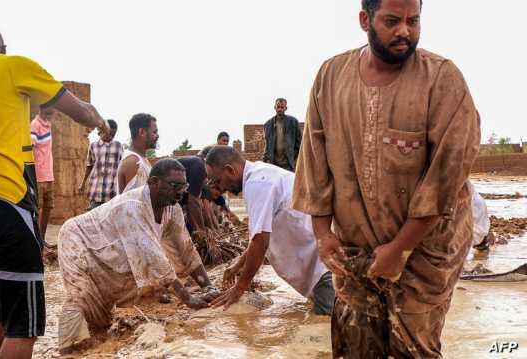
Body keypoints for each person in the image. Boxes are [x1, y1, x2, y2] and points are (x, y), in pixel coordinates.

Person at [292, 0, 480, 357]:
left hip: (426, 250)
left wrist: (400, 248)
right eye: (392, 21)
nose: (404, 32)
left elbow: (446, 176)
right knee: (355, 344)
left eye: (413, 21)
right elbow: (314, 162)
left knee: (412, 346)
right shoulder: (331, 77)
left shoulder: (442, 79)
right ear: (365, 19)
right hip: (354, 247)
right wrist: (322, 235)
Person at [0, 25, 108, 359]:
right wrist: (99, 120)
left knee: (3, 309)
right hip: (2, 204)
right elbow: (80, 112)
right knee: (23, 325)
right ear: (3, 48)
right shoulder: (13, 67)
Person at [57, 159, 218, 353]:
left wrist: (208, 286)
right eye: (174, 185)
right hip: (78, 238)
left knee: (103, 309)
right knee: (80, 295)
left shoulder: (172, 209)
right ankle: (67, 350)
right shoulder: (133, 206)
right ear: (153, 182)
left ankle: (95, 347)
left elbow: (186, 249)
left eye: (183, 186)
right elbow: (154, 258)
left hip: (108, 251)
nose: (180, 191)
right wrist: (187, 298)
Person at [205, 146, 333, 314]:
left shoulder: (258, 183)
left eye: (218, 181)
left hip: (321, 269)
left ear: (229, 170)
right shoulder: (260, 175)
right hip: (318, 268)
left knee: (332, 330)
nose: (220, 188)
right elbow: (260, 237)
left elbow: (260, 241)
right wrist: (238, 265)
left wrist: (239, 288)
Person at [79, 120, 123, 211]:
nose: (111, 137)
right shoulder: (93, 146)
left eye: (113, 135)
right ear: (102, 131)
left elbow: (122, 165)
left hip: (112, 192)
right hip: (96, 190)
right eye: (109, 134)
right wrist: (83, 183)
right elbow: (89, 165)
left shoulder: (118, 146)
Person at [30, 107, 56, 241]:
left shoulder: (48, 125)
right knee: (36, 209)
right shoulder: (35, 125)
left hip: (48, 175)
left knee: (47, 207)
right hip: (39, 176)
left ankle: (42, 239)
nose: (55, 109)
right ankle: (35, 240)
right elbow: (29, 148)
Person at [116, 113, 158, 193]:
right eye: (154, 132)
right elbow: (136, 203)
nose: (157, 136)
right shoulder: (133, 161)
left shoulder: (141, 159)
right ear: (142, 132)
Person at [262, 98, 302, 171]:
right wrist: (264, 162)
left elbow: (300, 143)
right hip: (274, 164)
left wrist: (295, 159)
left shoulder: (293, 122)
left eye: (282, 107)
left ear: (285, 108)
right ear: (275, 107)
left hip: (288, 164)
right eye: (278, 107)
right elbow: (267, 145)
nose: (280, 109)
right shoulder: (268, 125)